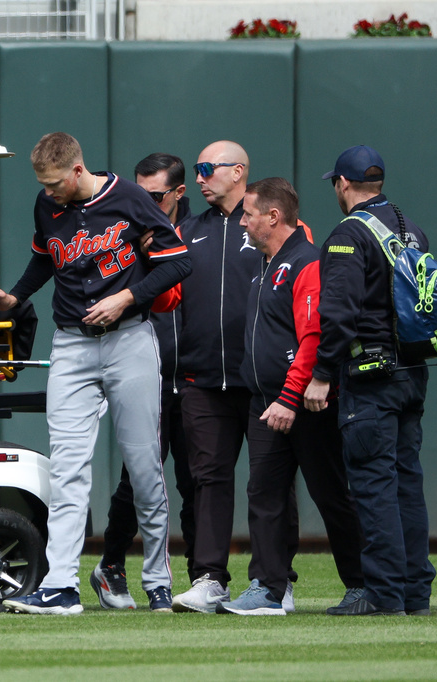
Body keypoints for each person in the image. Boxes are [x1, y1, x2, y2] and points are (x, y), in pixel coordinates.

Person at [0, 132, 192, 615]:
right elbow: (44, 257)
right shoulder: (46, 204)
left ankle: (157, 578)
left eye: (55, 182)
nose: (48, 191)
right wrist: (15, 297)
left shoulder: (129, 197)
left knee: (144, 469)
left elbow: (178, 262)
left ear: (78, 170)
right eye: (43, 184)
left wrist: (126, 297)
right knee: (68, 471)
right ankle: (60, 587)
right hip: (72, 344)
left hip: (130, 338)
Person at [214, 177, 365, 616]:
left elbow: (313, 336)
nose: (242, 222)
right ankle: (268, 589)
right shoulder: (268, 261)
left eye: (248, 214)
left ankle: (361, 585)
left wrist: (289, 395)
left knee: (331, 494)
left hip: (304, 403)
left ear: (273, 217)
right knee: (264, 493)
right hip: (264, 400)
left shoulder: (306, 261)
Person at [304, 145, 436, 616]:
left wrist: (321, 375)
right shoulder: (408, 228)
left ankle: (383, 595)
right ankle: (415, 593)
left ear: (342, 184)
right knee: (406, 485)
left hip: (369, 377)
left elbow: (338, 313)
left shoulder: (348, 234)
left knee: (374, 487)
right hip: (411, 373)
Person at [171, 141, 289, 613]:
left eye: (207, 169)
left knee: (269, 483)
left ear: (239, 170)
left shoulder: (270, 224)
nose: (199, 178)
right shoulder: (185, 229)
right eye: (197, 170)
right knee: (208, 479)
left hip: (260, 380)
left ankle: (277, 580)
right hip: (201, 379)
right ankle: (210, 579)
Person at [90, 152, 197, 609]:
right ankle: (111, 565)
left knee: (196, 480)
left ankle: (203, 577)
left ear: (178, 193)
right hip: (142, 370)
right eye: (139, 193)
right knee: (137, 478)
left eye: (155, 195)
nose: (145, 202)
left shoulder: (203, 232)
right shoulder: (124, 227)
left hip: (195, 376)